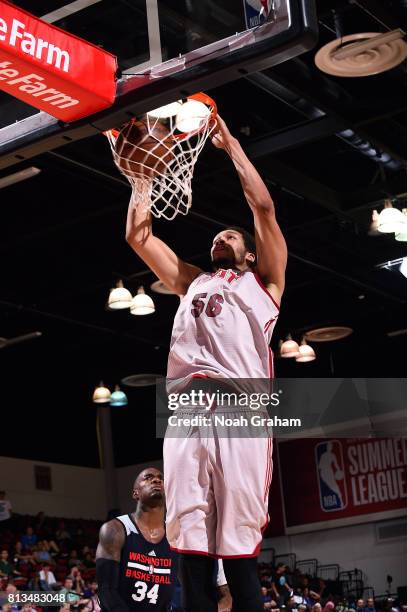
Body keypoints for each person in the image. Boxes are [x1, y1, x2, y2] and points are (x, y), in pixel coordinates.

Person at [125, 114, 287, 611]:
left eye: (233, 236)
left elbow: (262, 206)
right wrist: (141, 177)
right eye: (219, 235)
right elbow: (139, 237)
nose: (223, 236)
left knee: (237, 544)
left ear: (251, 254)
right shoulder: (192, 280)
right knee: (190, 537)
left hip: (240, 414)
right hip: (189, 411)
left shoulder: (266, 285)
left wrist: (231, 144)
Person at [95, 468, 177, 611]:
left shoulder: (176, 534)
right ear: (135, 493)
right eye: (148, 477)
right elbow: (106, 591)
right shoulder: (115, 529)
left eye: (160, 478)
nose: (157, 480)